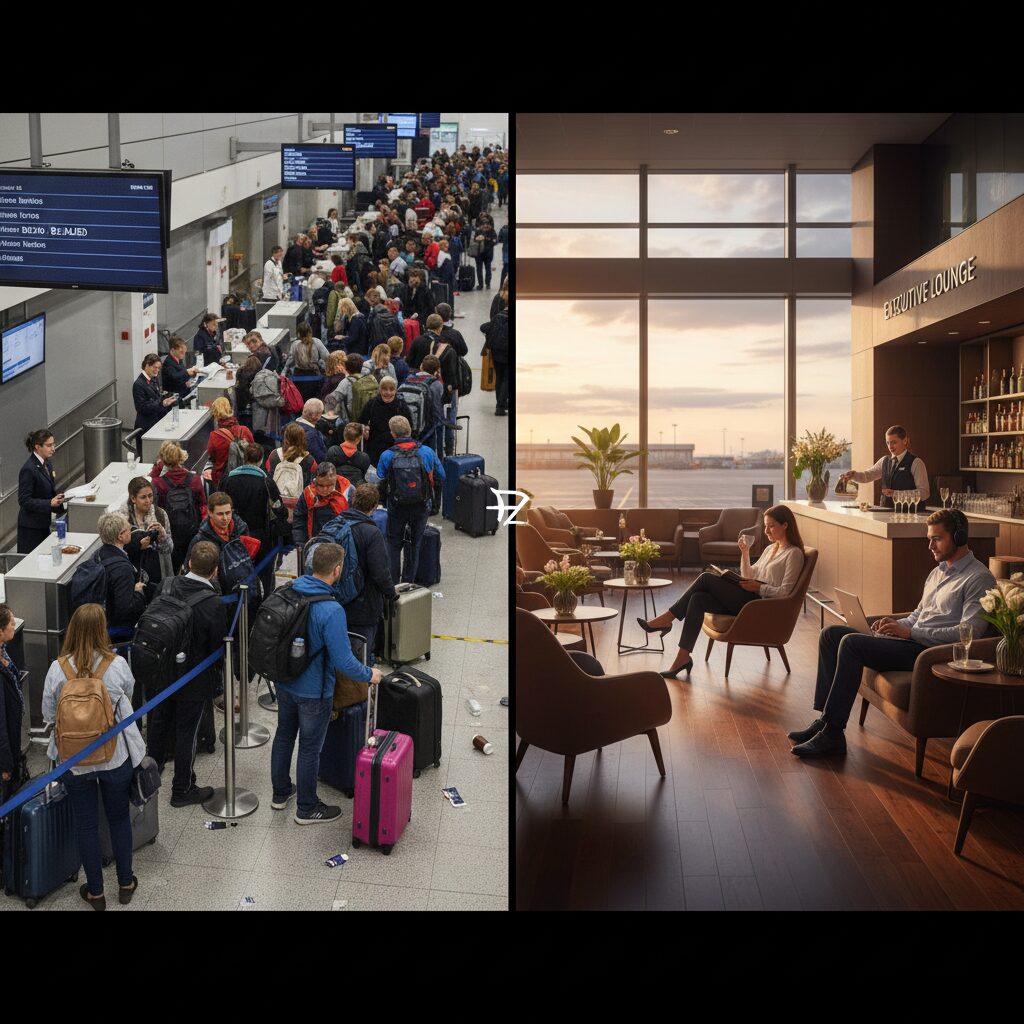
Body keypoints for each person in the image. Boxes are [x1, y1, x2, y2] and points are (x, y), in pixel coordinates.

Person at [788, 509, 995, 758]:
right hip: (911, 641)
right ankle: (824, 720)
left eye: (936, 539)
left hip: (928, 652)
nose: (930, 545)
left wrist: (909, 632)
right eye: (928, 538)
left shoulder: (978, 578)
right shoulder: (938, 571)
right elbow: (919, 613)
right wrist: (894, 624)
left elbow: (969, 632)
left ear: (959, 537)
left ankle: (833, 734)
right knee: (831, 634)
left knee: (851, 644)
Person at [41, 603, 144, 910]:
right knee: (118, 819)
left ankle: (96, 892)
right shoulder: (116, 665)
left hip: (74, 760)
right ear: (103, 629)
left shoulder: (57, 668)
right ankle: (125, 883)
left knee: (86, 825)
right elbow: (129, 694)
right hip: (114, 756)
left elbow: (48, 713)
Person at [270, 542, 381, 823]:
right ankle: (307, 808)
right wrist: (370, 675)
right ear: (337, 570)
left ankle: (280, 793)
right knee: (309, 748)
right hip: (314, 691)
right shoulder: (331, 610)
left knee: (284, 735)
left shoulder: (289, 591)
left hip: (285, 681)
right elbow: (344, 661)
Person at [638, 506, 806, 680]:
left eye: (771, 526)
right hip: (750, 597)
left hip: (759, 606)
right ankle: (682, 658)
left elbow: (786, 593)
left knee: (705, 578)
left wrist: (759, 588)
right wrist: (745, 553)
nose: (766, 531)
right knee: (698, 599)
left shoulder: (794, 554)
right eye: (765, 526)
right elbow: (749, 575)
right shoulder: (770, 549)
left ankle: (666, 620)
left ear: (785, 525)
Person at [145, 540, 221, 807]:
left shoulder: (166, 584)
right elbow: (217, 646)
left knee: (158, 723)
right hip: (194, 678)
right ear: (214, 571)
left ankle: (147, 779)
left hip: (161, 671)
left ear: (189, 564)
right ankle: (182, 788)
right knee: (187, 730)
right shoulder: (212, 602)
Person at [377, 415, 445, 583]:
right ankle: (409, 583)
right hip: (421, 505)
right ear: (409, 430)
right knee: (415, 543)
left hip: (396, 505)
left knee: (394, 543)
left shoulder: (387, 455)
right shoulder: (426, 452)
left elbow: (380, 478)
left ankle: (393, 583)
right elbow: (441, 475)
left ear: (393, 434)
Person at [338, 484, 396, 664]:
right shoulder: (372, 533)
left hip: (336, 599)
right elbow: (380, 572)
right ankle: (361, 690)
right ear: (374, 507)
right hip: (363, 603)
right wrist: (391, 594)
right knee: (362, 654)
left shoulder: (336, 523)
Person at [224, 444, 289, 604]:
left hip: (233, 536)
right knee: (265, 575)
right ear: (261, 460)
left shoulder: (228, 480)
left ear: (244, 458)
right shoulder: (266, 482)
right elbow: (279, 508)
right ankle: (264, 604)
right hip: (262, 537)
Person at [839, 424, 930, 510]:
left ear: (905, 441)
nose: (890, 446)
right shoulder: (884, 460)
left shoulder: (916, 463)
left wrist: (896, 494)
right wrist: (853, 475)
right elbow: (867, 476)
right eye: (888, 443)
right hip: (886, 513)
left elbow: (924, 493)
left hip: (910, 515)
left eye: (894, 442)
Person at [150, 441, 207, 574]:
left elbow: (157, 506)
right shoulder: (195, 480)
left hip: (171, 533)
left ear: (163, 460)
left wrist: (158, 466)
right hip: (193, 531)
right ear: (181, 457)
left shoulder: (158, 483)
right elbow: (203, 505)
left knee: (173, 569)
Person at [94, 512, 149, 631]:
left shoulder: (99, 554)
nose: (131, 530)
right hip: (118, 631)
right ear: (120, 536)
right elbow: (125, 610)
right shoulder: (122, 568)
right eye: (128, 528)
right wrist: (138, 593)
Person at [117, 477, 173, 586]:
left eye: (150, 496)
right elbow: (116, 549)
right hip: (130, 574)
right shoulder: (122, 519)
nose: (148, 501)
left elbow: (168, 550)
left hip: (157, 574)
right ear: (133, 498)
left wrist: (163, 536)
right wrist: (137, 545)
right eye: (143, 497)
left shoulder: (160, 515)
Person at [17, 429, 66, 552]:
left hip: (44, 523)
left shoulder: (47, 464)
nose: (53, 448)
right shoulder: (28, 469)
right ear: (37, 447)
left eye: (53, 444)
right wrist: (49, 503)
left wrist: (61, 502)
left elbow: (48, 492)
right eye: (49, 445)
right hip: (30, 529)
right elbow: (24, 500)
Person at [0, 604, 28, 799]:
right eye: (11, 623)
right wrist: (6, 763)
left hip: (12, 736)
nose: (14, 625)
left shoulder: (4, 653)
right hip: (4, 750)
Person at [292, 463, 351, 550]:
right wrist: (300, 541)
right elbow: (299, 518)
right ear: (315, 481)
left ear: (335, 479)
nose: (325, 489)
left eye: (329, 485)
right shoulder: (308, 494)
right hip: (315, 544)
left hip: (341, 545)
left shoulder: (348, 491)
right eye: (321, 485)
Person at [358, 377, 414, 467]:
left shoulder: (401, 405)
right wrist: (365, 430)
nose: (388, 393)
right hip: (375, 448)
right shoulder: (372, 404)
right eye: (385, 389)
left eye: (391, 389)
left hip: (396, 449)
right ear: (380, 390)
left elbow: (410, 427)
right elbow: (361, 422)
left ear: (395, 390)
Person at [267, 422, 318, 516]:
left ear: (285, 437)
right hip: (299, 506)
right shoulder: (309, 459)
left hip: (277, 505)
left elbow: (269, 475)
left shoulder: (274, 455)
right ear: (303, 438)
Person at [205, 396, 254, 489]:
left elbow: (212, 456)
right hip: (245, 476)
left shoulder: (214, 436)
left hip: (223, 479)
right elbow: (253, 451)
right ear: (231, 409)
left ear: (215, 414)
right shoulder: (244, 430)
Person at [403, 355, 448, 453]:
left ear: (421, 366)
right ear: (436, 371)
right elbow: (437, 409)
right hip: (427, 430)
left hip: (408, 426)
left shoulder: (409, 379)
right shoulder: (436, 384)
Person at [133, 353, 177, 435]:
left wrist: (165, 402)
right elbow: (141, 408)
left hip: (156, 421)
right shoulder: (138, 384)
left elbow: (157, 397)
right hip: (146, 426)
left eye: (158, 368)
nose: (157, 370)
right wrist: (161, 403)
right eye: (155, 367)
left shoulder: (154, 378)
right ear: (147, 365)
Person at [481, 296, 509, 416]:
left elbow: (484, 327)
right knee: (507, 379)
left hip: (496, 351)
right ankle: (501, 406)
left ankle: (501, 403)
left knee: (500, 377)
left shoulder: (498, 316)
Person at [326, 421, 375, 487]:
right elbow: (364, 476)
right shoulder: (364, 457)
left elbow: (327, 471)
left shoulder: (333, 451)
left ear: (344, 435)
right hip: (356, 490)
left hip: (337, 488)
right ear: (359, 438)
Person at [329, 353, 368, 421]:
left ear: (346, 368)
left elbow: (333, 399)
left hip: (349, 421)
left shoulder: (345, 382)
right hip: (366, 418)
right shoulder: (368, 379)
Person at [162, 335, 199, 402]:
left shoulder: (178, 358)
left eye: (184, 352)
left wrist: (190, 376)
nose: (183, 354)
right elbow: (175, 377)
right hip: (175, 398)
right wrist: (187, 372)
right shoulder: (168, 364)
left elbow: (182, 373)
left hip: (184, 392)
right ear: (173, 350)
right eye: (181, 352)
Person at [472, 215, 498, 290]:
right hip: (479, 254)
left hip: (488, 254)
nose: (485, 226)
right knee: (479, 269)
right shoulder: (477, 231)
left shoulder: (492, 232)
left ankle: (487, 283)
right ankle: (481, 284)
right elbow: (473, 241)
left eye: (486, 224)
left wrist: (486, 239)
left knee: (488, 268)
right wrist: (477, 239)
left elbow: (495, 241)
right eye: (483, 225)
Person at [498, 222, 509, 286]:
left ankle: (502, 287)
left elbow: (499, 240)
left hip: (506, 254)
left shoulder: (504, 229)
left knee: (504, 271)